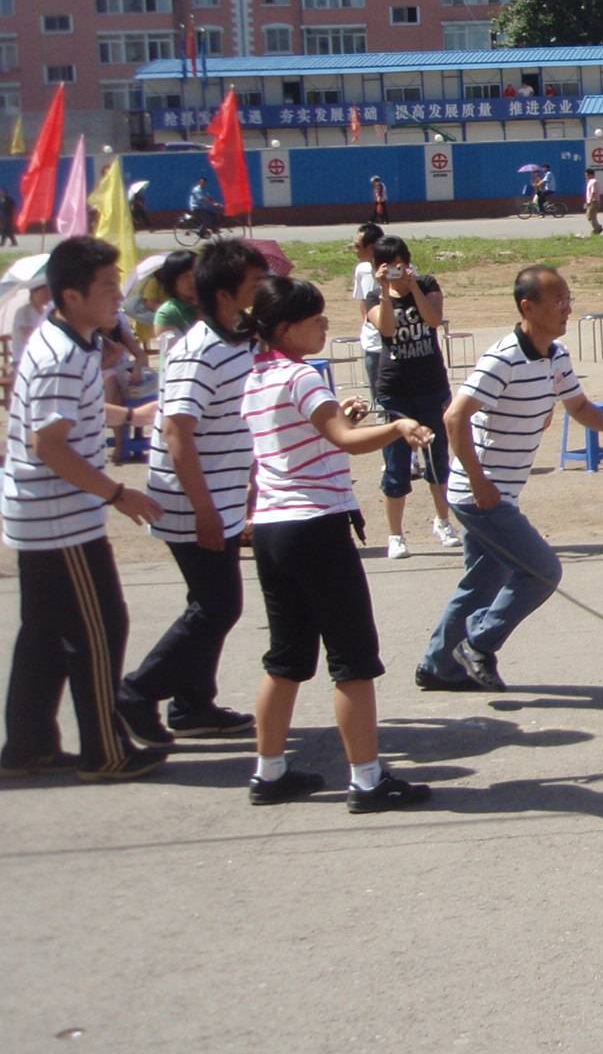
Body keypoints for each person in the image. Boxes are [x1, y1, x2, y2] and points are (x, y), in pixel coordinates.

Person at [241, 275, 437, 810]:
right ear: (285, 328)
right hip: (316, 528)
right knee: (353, 659)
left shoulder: (256, 377)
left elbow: (309, 437)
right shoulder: (302, 377)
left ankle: (269, 771)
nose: (326, 324)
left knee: (286, 658)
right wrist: (398, 428)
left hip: (272, 529)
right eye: (315, 318)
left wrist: (342, 420)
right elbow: (348, 443)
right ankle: (368, 779)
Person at [418, 267, 603, 692]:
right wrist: (479, 481)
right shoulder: (504, 358)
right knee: (541, 571)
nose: (567, 308)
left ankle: (437, 667)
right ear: (528, 307)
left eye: (569, 299)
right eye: (558, 301)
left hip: (501, 492)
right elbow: (454, 417)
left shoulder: (556, 355)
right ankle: (478, 644)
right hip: (479, 494)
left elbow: (577, 405)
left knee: (482, 581)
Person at [1, 237, 167, 783]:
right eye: (107, 287)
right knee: (100, 627)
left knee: (44, 630)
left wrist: (129, 416)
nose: (118, 295)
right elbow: (49, 445)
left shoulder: (64, 343)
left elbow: (71, 414)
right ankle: (105, 751)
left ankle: (29, 744)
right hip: (59, 520)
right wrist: (119, 495)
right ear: (71, 295)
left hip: (40, 515)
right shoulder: (64, 354)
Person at [120, 239, 269, 746]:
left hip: (222, 494)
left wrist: (246, 483)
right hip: (191, 500)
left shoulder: (238, 337)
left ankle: (192, 705)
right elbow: (177, 432)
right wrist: (205, 509)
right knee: (218, 606)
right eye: (254, 283)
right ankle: (137, 693)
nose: (262, 290)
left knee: (208, 602)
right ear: (226, 294)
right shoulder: (196, 350)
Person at [370, 237, 463, 558]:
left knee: (437, 459)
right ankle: (396, 535)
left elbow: (433, 320)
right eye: (389, 266)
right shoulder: (374, 296)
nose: (397, 270)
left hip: (432, 387)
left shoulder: (427, 284)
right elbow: (386, 329)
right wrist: (385, 291)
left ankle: (443, 521)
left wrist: (414, 287)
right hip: (395, 392)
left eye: (401, 263)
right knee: (396, 466)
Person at [351, 223, 385, 397]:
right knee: (376, 390)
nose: (354, 250)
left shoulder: (398, 269)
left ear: (371, 248)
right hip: (372, 343)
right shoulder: (361, 270)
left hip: (393, 342)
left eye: (357, 246)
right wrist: (368, 322)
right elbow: (362, 299)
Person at [151, 251, 200, 356]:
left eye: (195, 273)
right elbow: (175, 353)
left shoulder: (213, 304)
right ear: (172, 280)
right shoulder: (168, 312)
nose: (192, 280)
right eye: (185, 276)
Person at [582, 168, 603, 235]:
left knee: (591, 216)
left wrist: (590, 201)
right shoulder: (590, 182)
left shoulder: (593, 182)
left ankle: (597, 229)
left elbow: (593, 192)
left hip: (594, 202)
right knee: (590, 216)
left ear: (589, 174)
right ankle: (598, 227)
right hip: (591, 201)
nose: (585, 176)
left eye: (586, 175)